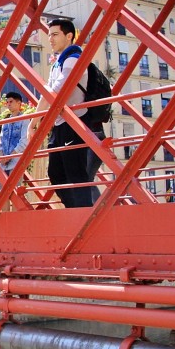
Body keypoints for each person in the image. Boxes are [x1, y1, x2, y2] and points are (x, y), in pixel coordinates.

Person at [28, 19, 103, 208]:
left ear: (69, 36)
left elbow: (53, 93)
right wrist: (36, 120)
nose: (50, 39)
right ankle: (75, 211)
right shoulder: (59, 62)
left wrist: (34, 122)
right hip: (61, 123)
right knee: (57, 172)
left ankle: (82, 213)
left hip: (75, 122)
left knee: (74, 172)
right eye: (49, 34)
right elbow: (48, 92)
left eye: (55, 34)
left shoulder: (73, 60)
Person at [0, 91, 29, 177]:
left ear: (19, 103)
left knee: (14, 188)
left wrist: (8, 157)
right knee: (1, 189)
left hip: (16, 163)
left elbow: (24, 141)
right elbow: (1, 141)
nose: (8, 104)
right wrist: (2, 157)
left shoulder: (25, 120)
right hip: (4, 165)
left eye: (11, 101)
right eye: (7, 102)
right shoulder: (6, 121)